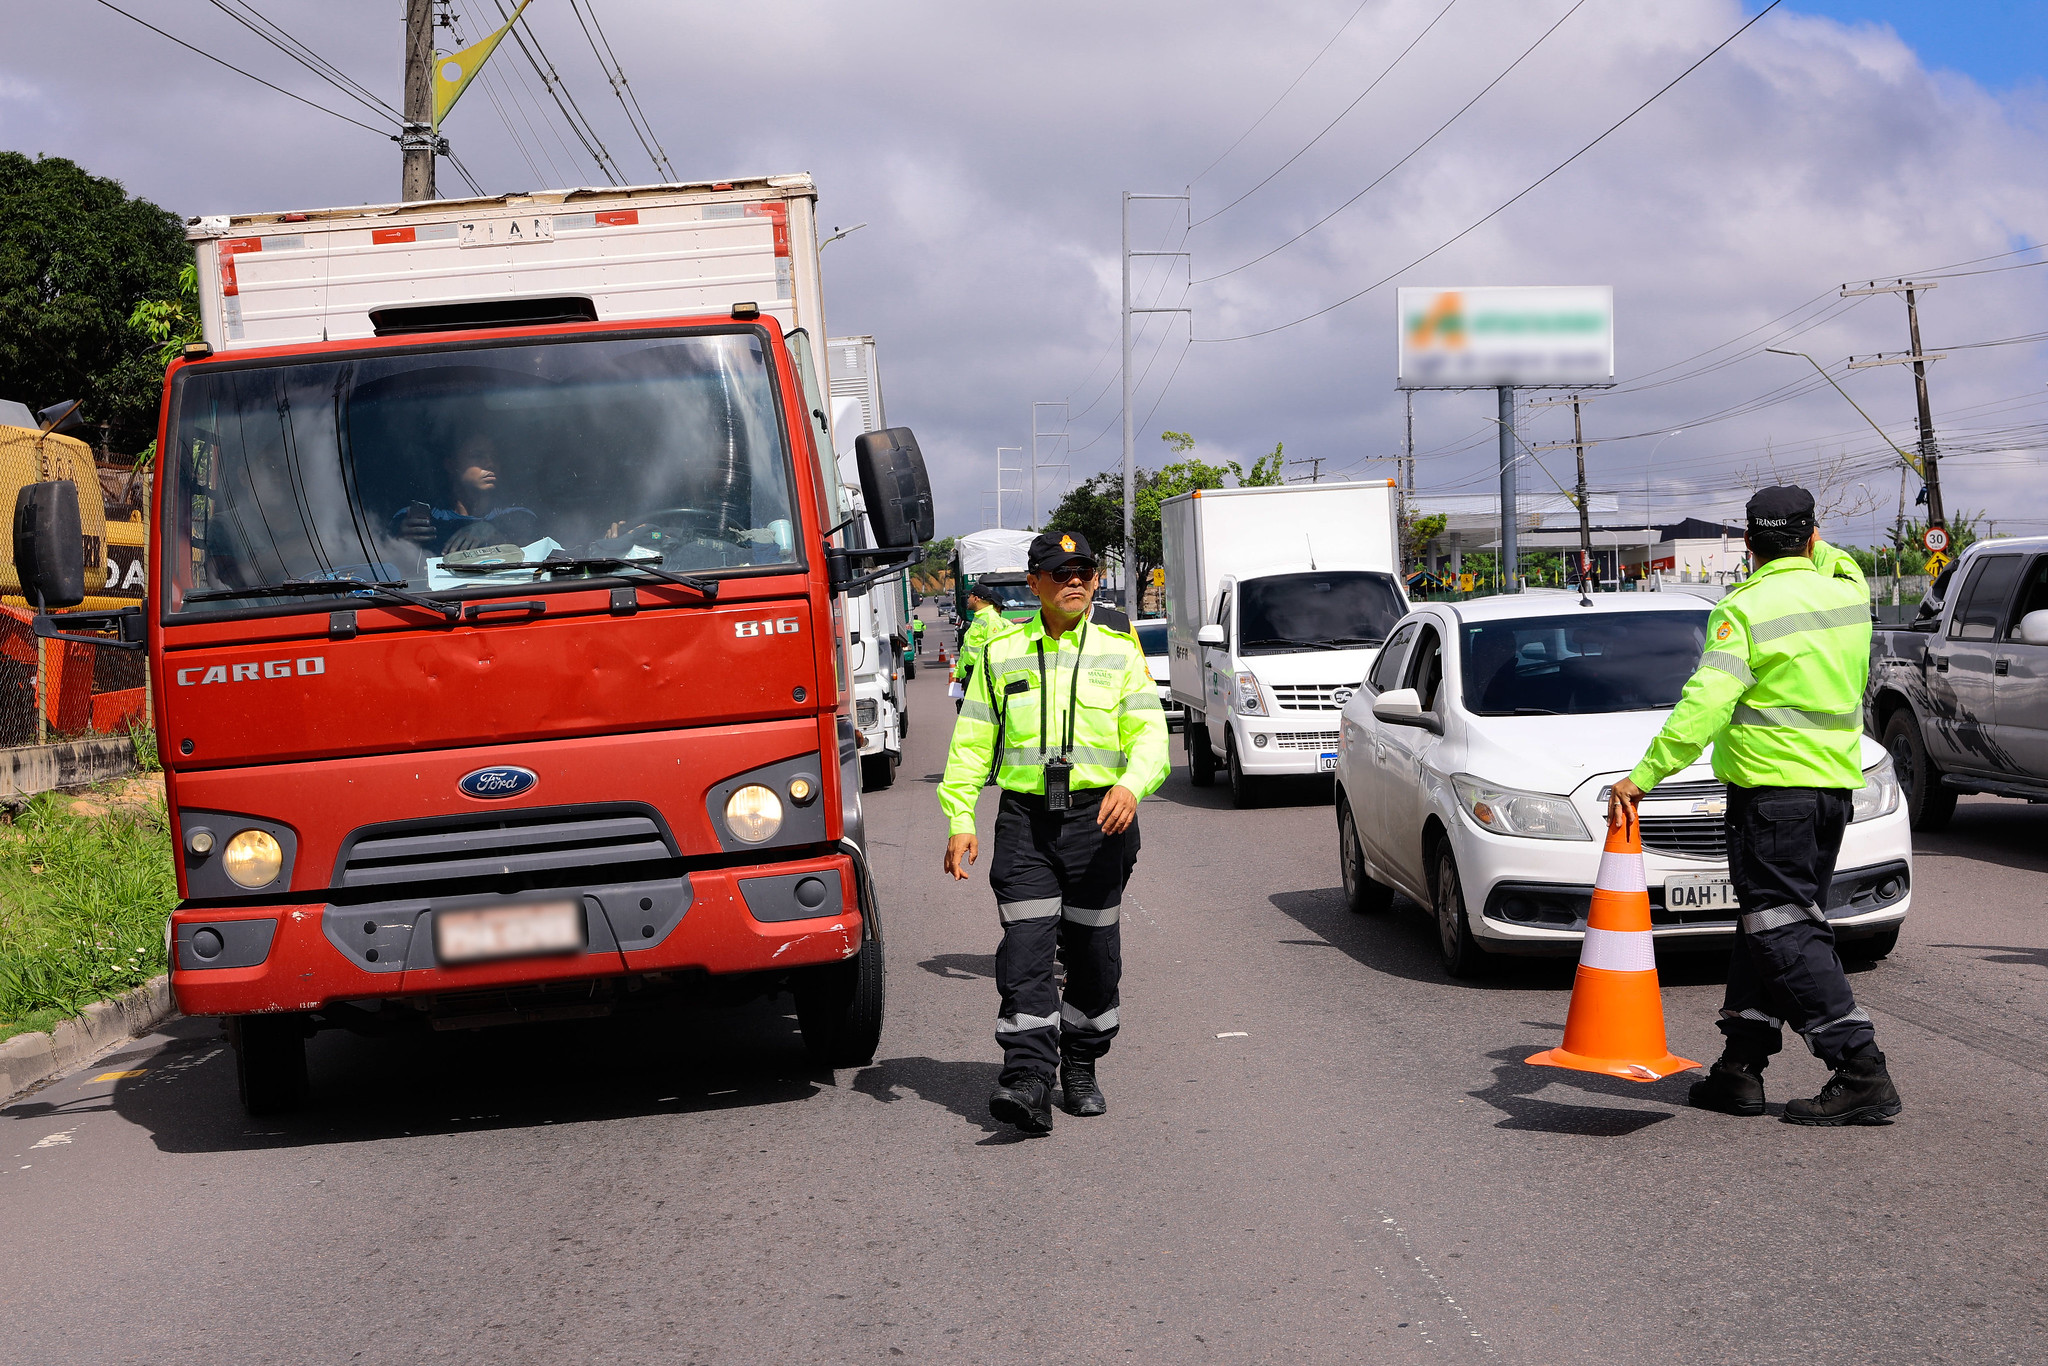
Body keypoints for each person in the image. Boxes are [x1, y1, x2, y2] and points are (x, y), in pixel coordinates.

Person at [1609, 485, 1901, 1126]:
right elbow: (1838, 562)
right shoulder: (1848, 595)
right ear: (1814, 535)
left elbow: (1705, 705)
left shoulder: (1743, 611)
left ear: (1748, 543)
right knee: (1769, 927)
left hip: (1773, 797)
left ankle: (1860, 1069)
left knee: (1783, 931)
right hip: (1830, 791)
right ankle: (1739, 1068)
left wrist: (1644, 776)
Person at [938, 532, 1170, 1134]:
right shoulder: (1001, 651)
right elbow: (971, 744)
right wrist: (960, 819)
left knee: (1094, 955)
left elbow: (1149, 734)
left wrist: (1132, 785)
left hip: (1101, 820)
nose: (1075, 581)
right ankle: (1028, 1079)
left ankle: (1081, 1066)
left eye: (1085, 573)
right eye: (1060, 572)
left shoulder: (1121, 651)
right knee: (1027, 951)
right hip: (1026, 824)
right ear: (1033, 583)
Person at [395, 433, 539, 555]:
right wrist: (400, 541)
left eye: (494, 457)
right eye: (478, 456)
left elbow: (535, 556)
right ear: (451, 465)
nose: (490, 463)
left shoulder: (519, 516)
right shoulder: (416, 520)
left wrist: (494, 534)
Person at [950, 583, 1001, 715]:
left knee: (978, 716)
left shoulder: (991, 619)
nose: (968, 599)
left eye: (970, 596)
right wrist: (958, 674)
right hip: (970, 676)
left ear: (976, 598)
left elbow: (996, 652)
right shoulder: (978, 618)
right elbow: (966, 651)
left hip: (981, 678)